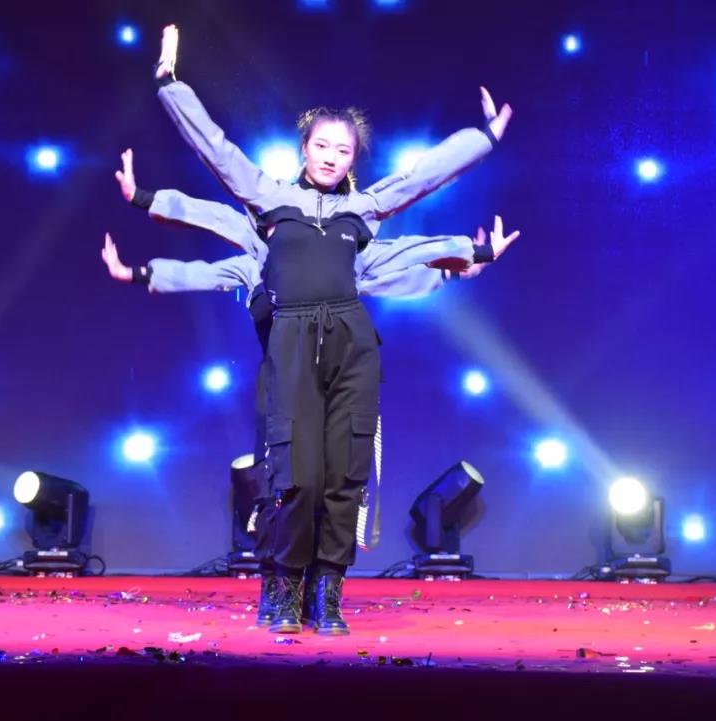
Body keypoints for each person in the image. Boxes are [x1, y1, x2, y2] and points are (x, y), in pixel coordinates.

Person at [148, 24, 513, 635]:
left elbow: (420, 177)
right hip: (291, 342)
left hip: (352, 345)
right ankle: (282, 590)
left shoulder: (361, 210)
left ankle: (328, 595)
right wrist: (170, 85)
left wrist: (484, 139)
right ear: (304, 148)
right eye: (321, 145)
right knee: (294, 476)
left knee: (344, 475)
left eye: (343, 151)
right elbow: (216, 149)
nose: (330, 156)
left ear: (352, 160)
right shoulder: (267, 197)